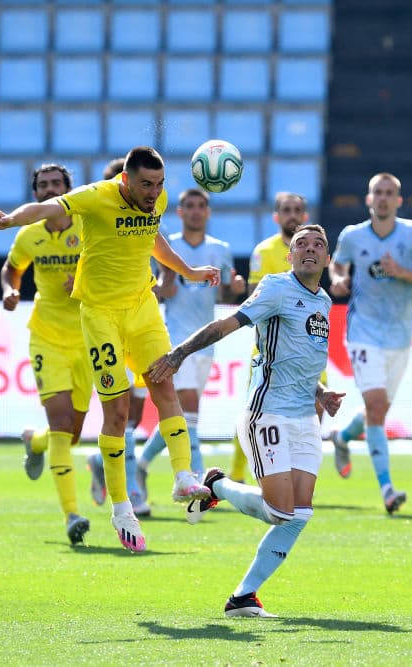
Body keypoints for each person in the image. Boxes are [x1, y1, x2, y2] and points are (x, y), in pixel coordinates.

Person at [0, 146, 221, 553]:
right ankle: (121, 508)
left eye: (160, 184)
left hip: (143, 310)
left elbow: (153, 239)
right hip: (99, 317)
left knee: (166, 388)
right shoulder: (95, 196)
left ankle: (184, 476)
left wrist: (189, 271)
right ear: (125, 179)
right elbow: (43, 210)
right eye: (146, 184)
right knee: (118, 412)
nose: (154, 192)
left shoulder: (156, 200)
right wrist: (8, 220)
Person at [147, 224, 344, 618]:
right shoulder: (275, 287)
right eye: (300, 244)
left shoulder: (323, 300)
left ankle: (243, 597)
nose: (309, 249)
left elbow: (301, 359)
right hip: (266, 413)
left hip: (306, 417)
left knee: (300, 514)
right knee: (280, 511)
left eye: (318, 245)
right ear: (289, 256)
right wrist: (181, 352)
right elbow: (227, 324)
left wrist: (320, 393)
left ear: (327, 260)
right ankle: (217, 484)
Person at [93, 188, 247, 515]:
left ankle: (143, 464)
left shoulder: (221, 250)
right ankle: (198, 479)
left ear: (207, 212)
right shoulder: (167, 244)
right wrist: (166, 285)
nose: (195, 211)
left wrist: (235, 287)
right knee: (187, 408)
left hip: (203, 341)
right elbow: (154, 289)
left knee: (184, 415)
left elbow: (226, 291)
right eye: (189, 206)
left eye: (200, 206)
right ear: (180, 212)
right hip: (172, 339)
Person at [327, 173, 412, 514]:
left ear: (399, 201)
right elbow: (337, 264)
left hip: (400, 335)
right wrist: (337, 280)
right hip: (362, 331)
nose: (383, 198)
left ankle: (342, 437)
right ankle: (388, 490)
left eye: (390, 193)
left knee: (377, 410)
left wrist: (402, 272)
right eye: (377, 192)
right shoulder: (352, 235)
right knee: (376, 407)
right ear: (368, 198)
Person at [1, 163, 92, 545]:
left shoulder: (88, 228)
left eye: (57, 184)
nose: (50, 190)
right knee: (60, 425)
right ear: (35, 193)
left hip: (90, 337)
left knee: (70, 434)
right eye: (43, 185)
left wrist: (85, 279)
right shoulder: (30, 235)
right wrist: (10, 289)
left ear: (69, 191)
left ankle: (33, 441)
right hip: (47, 337)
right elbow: (12, 268)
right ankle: (72, 514)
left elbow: (115, 269)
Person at [226, 192, 328, 483]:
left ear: (305, 216)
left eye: (298, 210)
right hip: (268, 353)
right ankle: (236, 474)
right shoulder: (264, 251)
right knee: (253, 409)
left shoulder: (312, 252)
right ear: (276, 216)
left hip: (307, 349)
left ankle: (299, 468)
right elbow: (253, 301)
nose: (292, 215)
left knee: (317, 406)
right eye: (286, 210)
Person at [85, 157, 156, 513]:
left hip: (141, 320)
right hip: (106, 323)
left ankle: (102, 464)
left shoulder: (146, 219)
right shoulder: (96, 220)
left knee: (137, 414)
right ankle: (131, 491)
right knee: (121, 409)